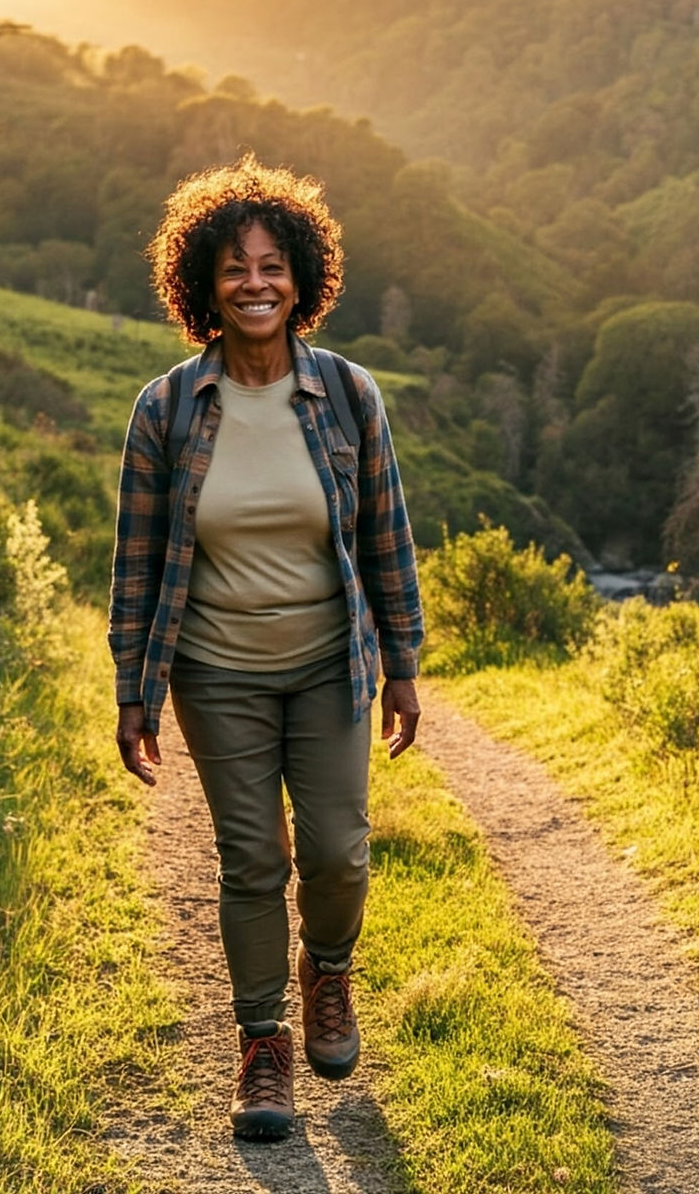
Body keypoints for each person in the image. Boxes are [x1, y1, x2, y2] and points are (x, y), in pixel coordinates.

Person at [109, 153, 424, 1142]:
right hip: (215, 671)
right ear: (202, 283)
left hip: (329, 665)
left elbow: (385, 536)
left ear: (303, 278)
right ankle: (262, 1046)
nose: (255, 283)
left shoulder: (347, 395)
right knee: (252, 860)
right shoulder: (165, 409)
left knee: (336, 853)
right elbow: (135, 563)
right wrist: (134, 692)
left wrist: (404, 663)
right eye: (234, 267)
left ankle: (327, 970)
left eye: (272, 264)